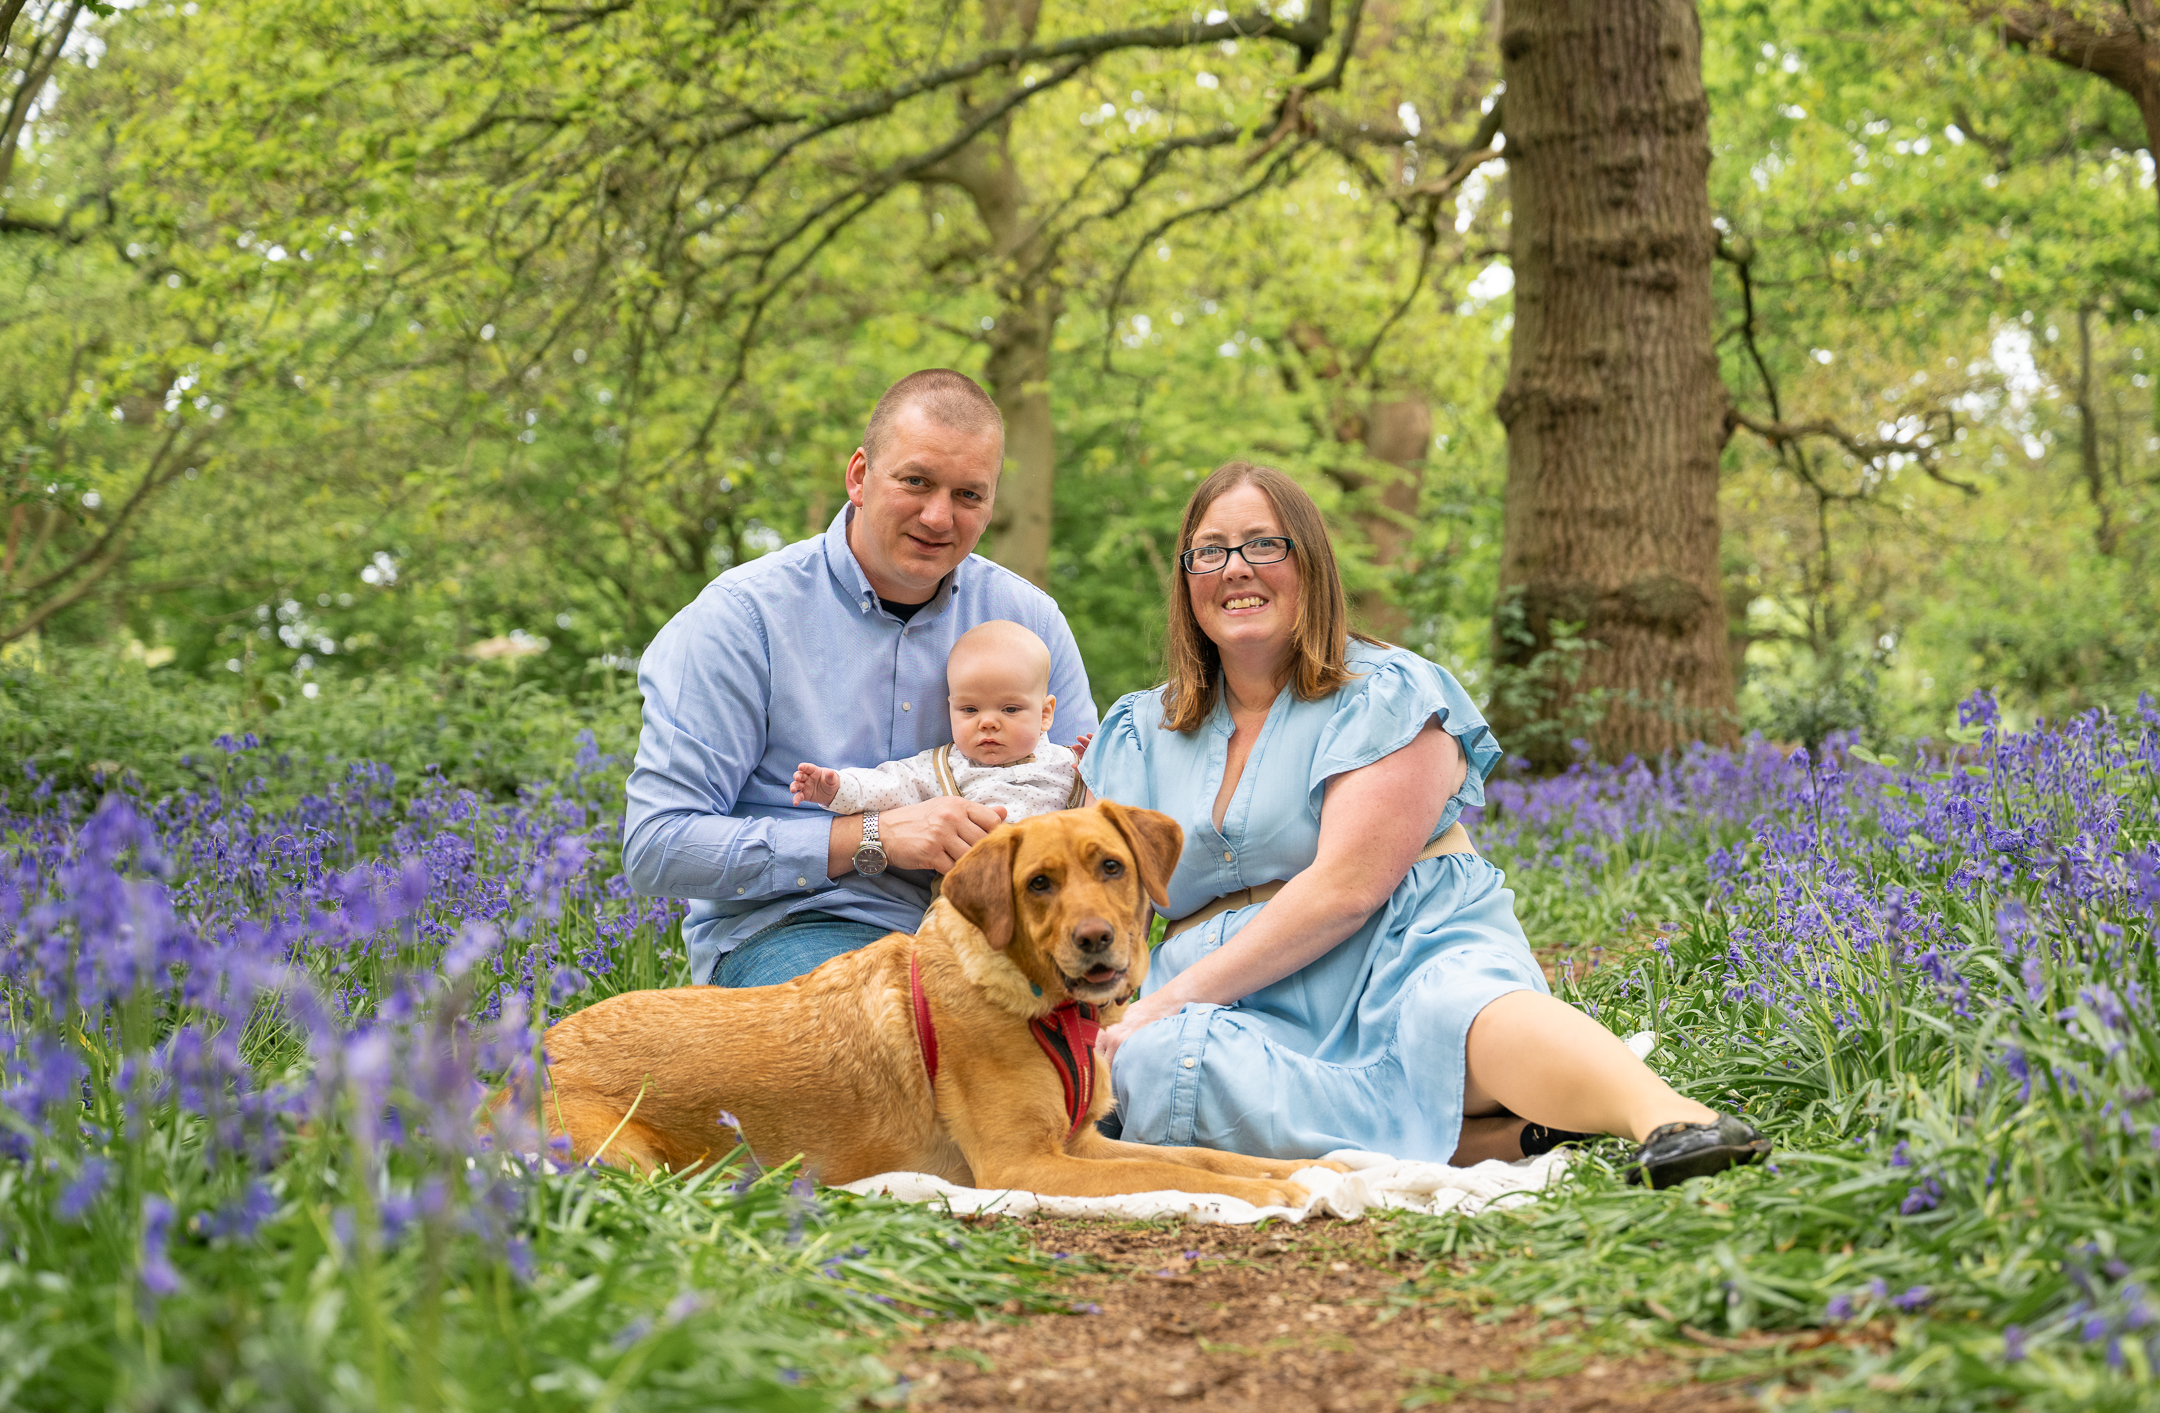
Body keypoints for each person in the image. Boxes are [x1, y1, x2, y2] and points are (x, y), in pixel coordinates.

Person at [1077, 460, 1768, 1186]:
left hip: (1399, 951)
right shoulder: (1138, 729)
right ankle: (1506, 1139)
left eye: (1263, 545)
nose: (1235, 569)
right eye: (1210, 551)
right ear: (1187, 579)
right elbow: (1095, 902)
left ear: (1311, 563)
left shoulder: (1388, 690)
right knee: (1164, 1064)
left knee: (1453, 1010)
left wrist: (1163, 1001)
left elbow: (1347, 888)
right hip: (1233, 995)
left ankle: (1671, 1118)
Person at [623, 370, 1099, 990]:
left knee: (1119, 1061)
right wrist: (870, 836)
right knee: (898, 1042)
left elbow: (1094, 811)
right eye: (916, 482)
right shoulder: (742, 619)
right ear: (858, 476)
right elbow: (658, 846)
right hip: (797, 929)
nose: (938, 516)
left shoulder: (1029, 618)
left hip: (1004, 934)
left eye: (968, 496)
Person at [790, 620, 1083, 822]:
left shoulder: (1070, 765)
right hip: (969, 894)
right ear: (951, 709)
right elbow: (889, 786)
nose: (988, 723)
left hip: (1059, 890)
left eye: (1009, 709)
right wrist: (837, 788)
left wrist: (1101, 769)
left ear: (1045, 714)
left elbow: (1113, 810)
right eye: (970, 710)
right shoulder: (946, 767)